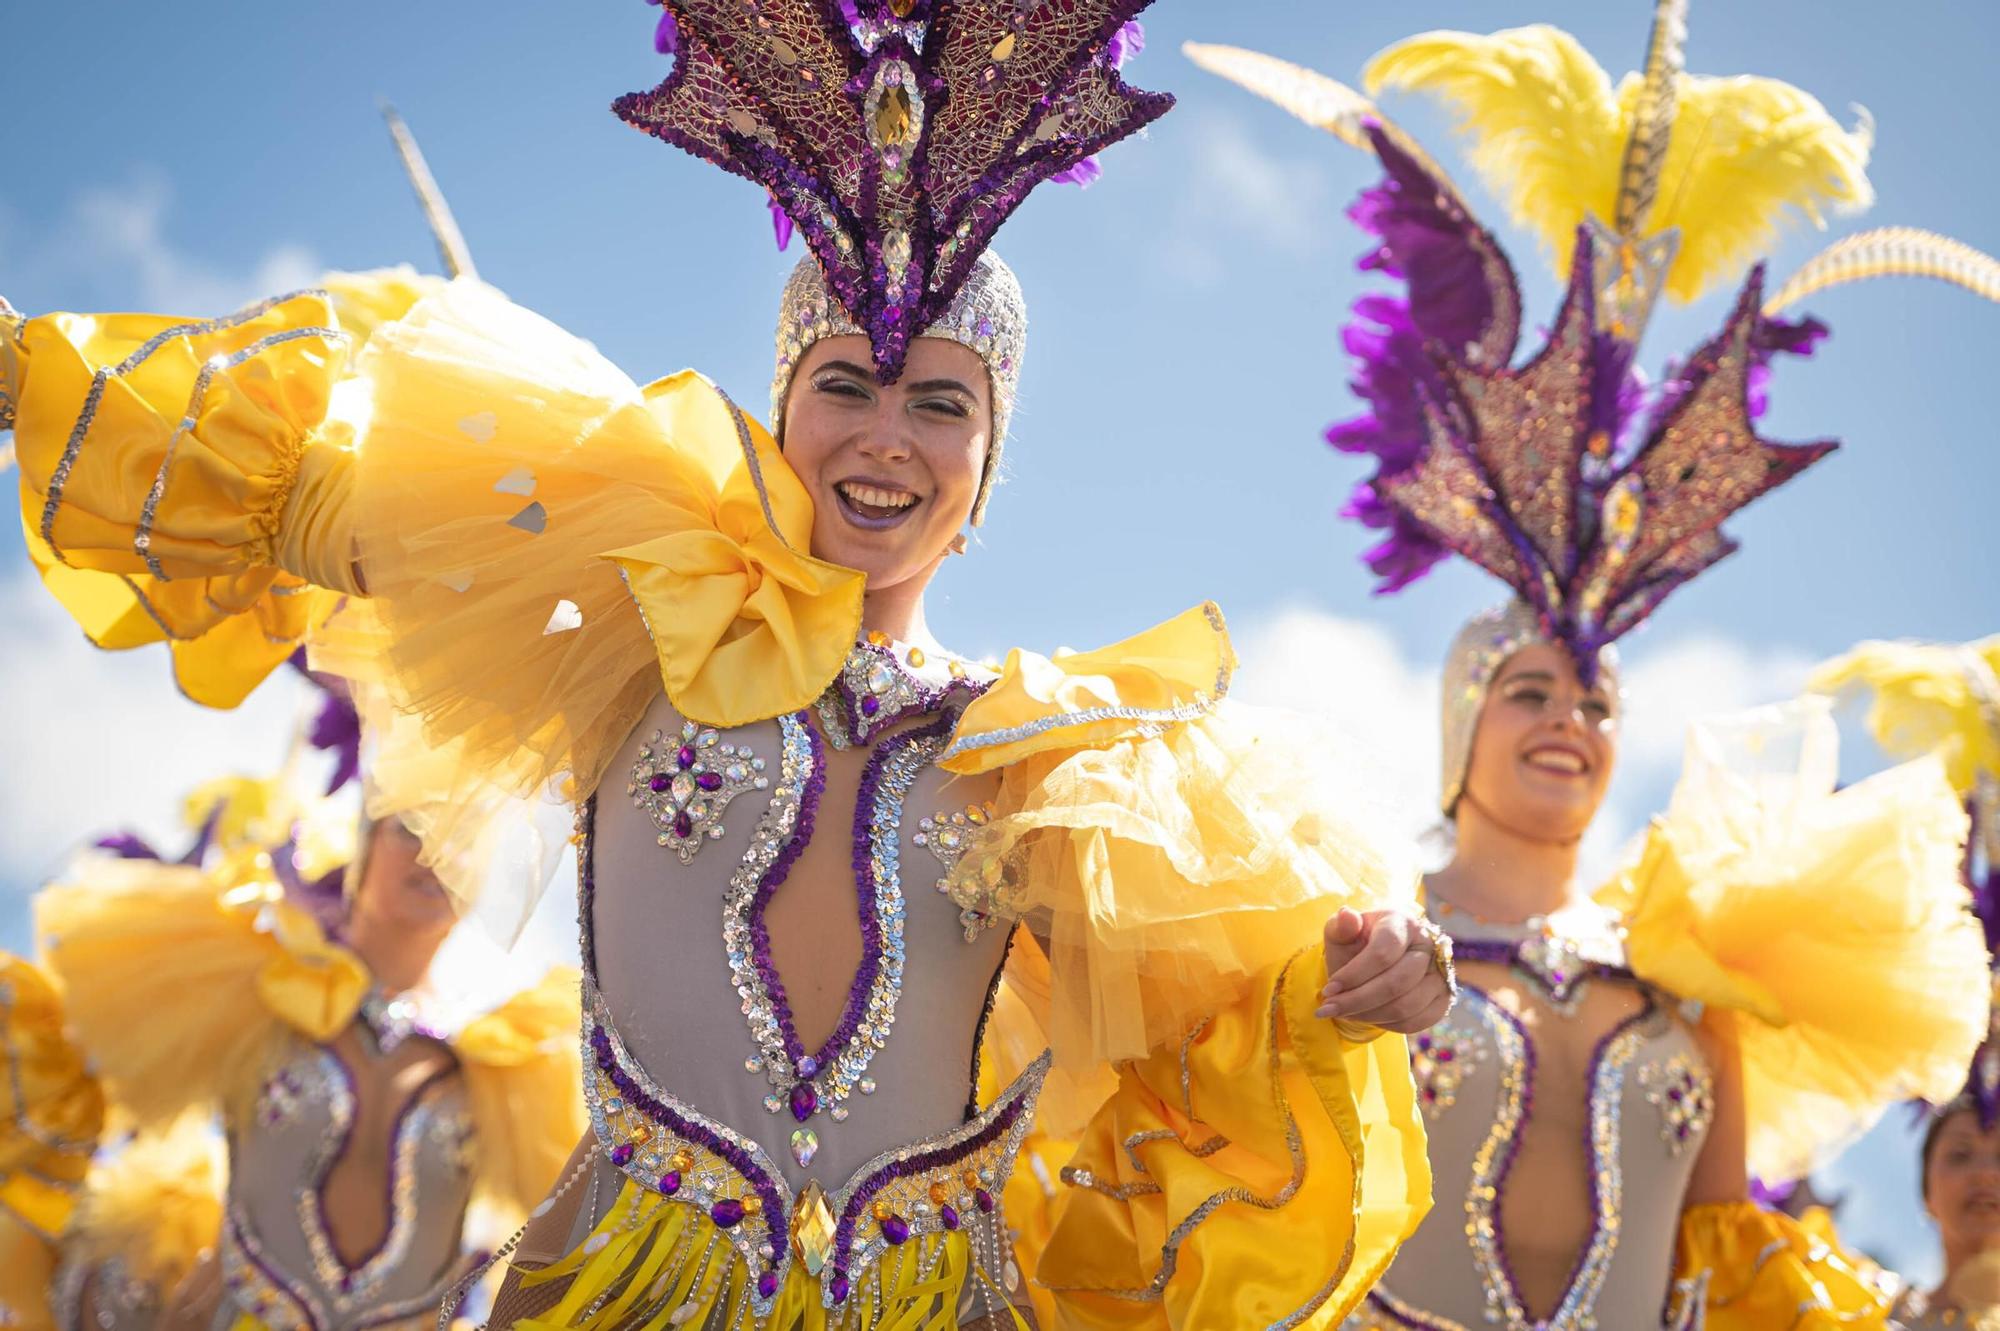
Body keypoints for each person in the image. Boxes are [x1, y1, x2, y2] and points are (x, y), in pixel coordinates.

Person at [2, 4, 1454, 1327]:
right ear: (777, 410)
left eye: (939, 403)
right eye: (846, 385)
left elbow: (1219, 1032)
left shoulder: (1058, 761)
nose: (885, 436)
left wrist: (1360, 981)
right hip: (623, 1292)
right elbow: (326, 500)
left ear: (989, 465)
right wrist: (36, 380)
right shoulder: (637, 610)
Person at [1190, 5, 1997, 1326]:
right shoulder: (1359, 916)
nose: (1568, 717)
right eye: (1528, 690)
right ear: (1459, 720)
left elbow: (1729, 1254)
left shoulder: (1687, 966)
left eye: (1597, 700)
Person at [32, 669, 587, 1331]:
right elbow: (82, 1080)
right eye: (411, 828)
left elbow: (562, 1240)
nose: (437, 857)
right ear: (364, 842)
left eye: (463, 843)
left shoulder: (514, 1059)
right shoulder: (262, 990)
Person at [1813, 638, 2000, 1330]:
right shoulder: (1873, 1316)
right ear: (1924, 1192)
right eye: (1961, 1155)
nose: (1984, 1174)